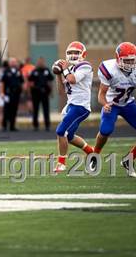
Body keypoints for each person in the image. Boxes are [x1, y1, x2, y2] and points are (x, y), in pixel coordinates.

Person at [93, 42, 136, 177]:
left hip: (128, 104)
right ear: (118, 59)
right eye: (127, 60)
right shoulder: (109, 69)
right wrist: (105, 104)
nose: (131, 64)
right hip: (112, 104)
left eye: (133, 60)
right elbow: (101, 95)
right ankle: (95, 154)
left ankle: (129, 159)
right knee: (105, 130)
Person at [54, 42, 95, 173]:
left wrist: (64, 69)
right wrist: (58, 74)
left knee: (61, 131)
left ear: (83, 54)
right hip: (71, 105)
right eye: (70, 52)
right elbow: (61, 91)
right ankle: (91, 151)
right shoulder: (70, 69)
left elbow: (72, 80)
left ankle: (61, 163)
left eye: (76, 53)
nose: (73, 55)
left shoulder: (85, 66)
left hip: (81, 107)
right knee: (69, 136)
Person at [29, 57, 54, 131]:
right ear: (37, 62)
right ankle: (35, 125)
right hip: (36, 93)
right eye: (39, 62)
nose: (40, 63)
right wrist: (31, 91)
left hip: (45, 92)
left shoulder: (47, 70)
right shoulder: (34, 71)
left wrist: (51, 92)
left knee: (46, 109)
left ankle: (47, 125)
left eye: (42, 62)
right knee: (35, 109)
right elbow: (30, 81)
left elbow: (50, 81)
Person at [0, 58, 24, 131]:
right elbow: (2, 83)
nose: (13, 63)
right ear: (9, 63)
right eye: (12, 62)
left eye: (14, 62)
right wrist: (2, 92)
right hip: (8, 93)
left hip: (16, 93)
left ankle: (12, 126)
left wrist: (22, 90)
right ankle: (4, 125)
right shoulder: (6, 71)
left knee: (14, 109)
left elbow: (21, 81)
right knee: (7, 109)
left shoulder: (18, 71)